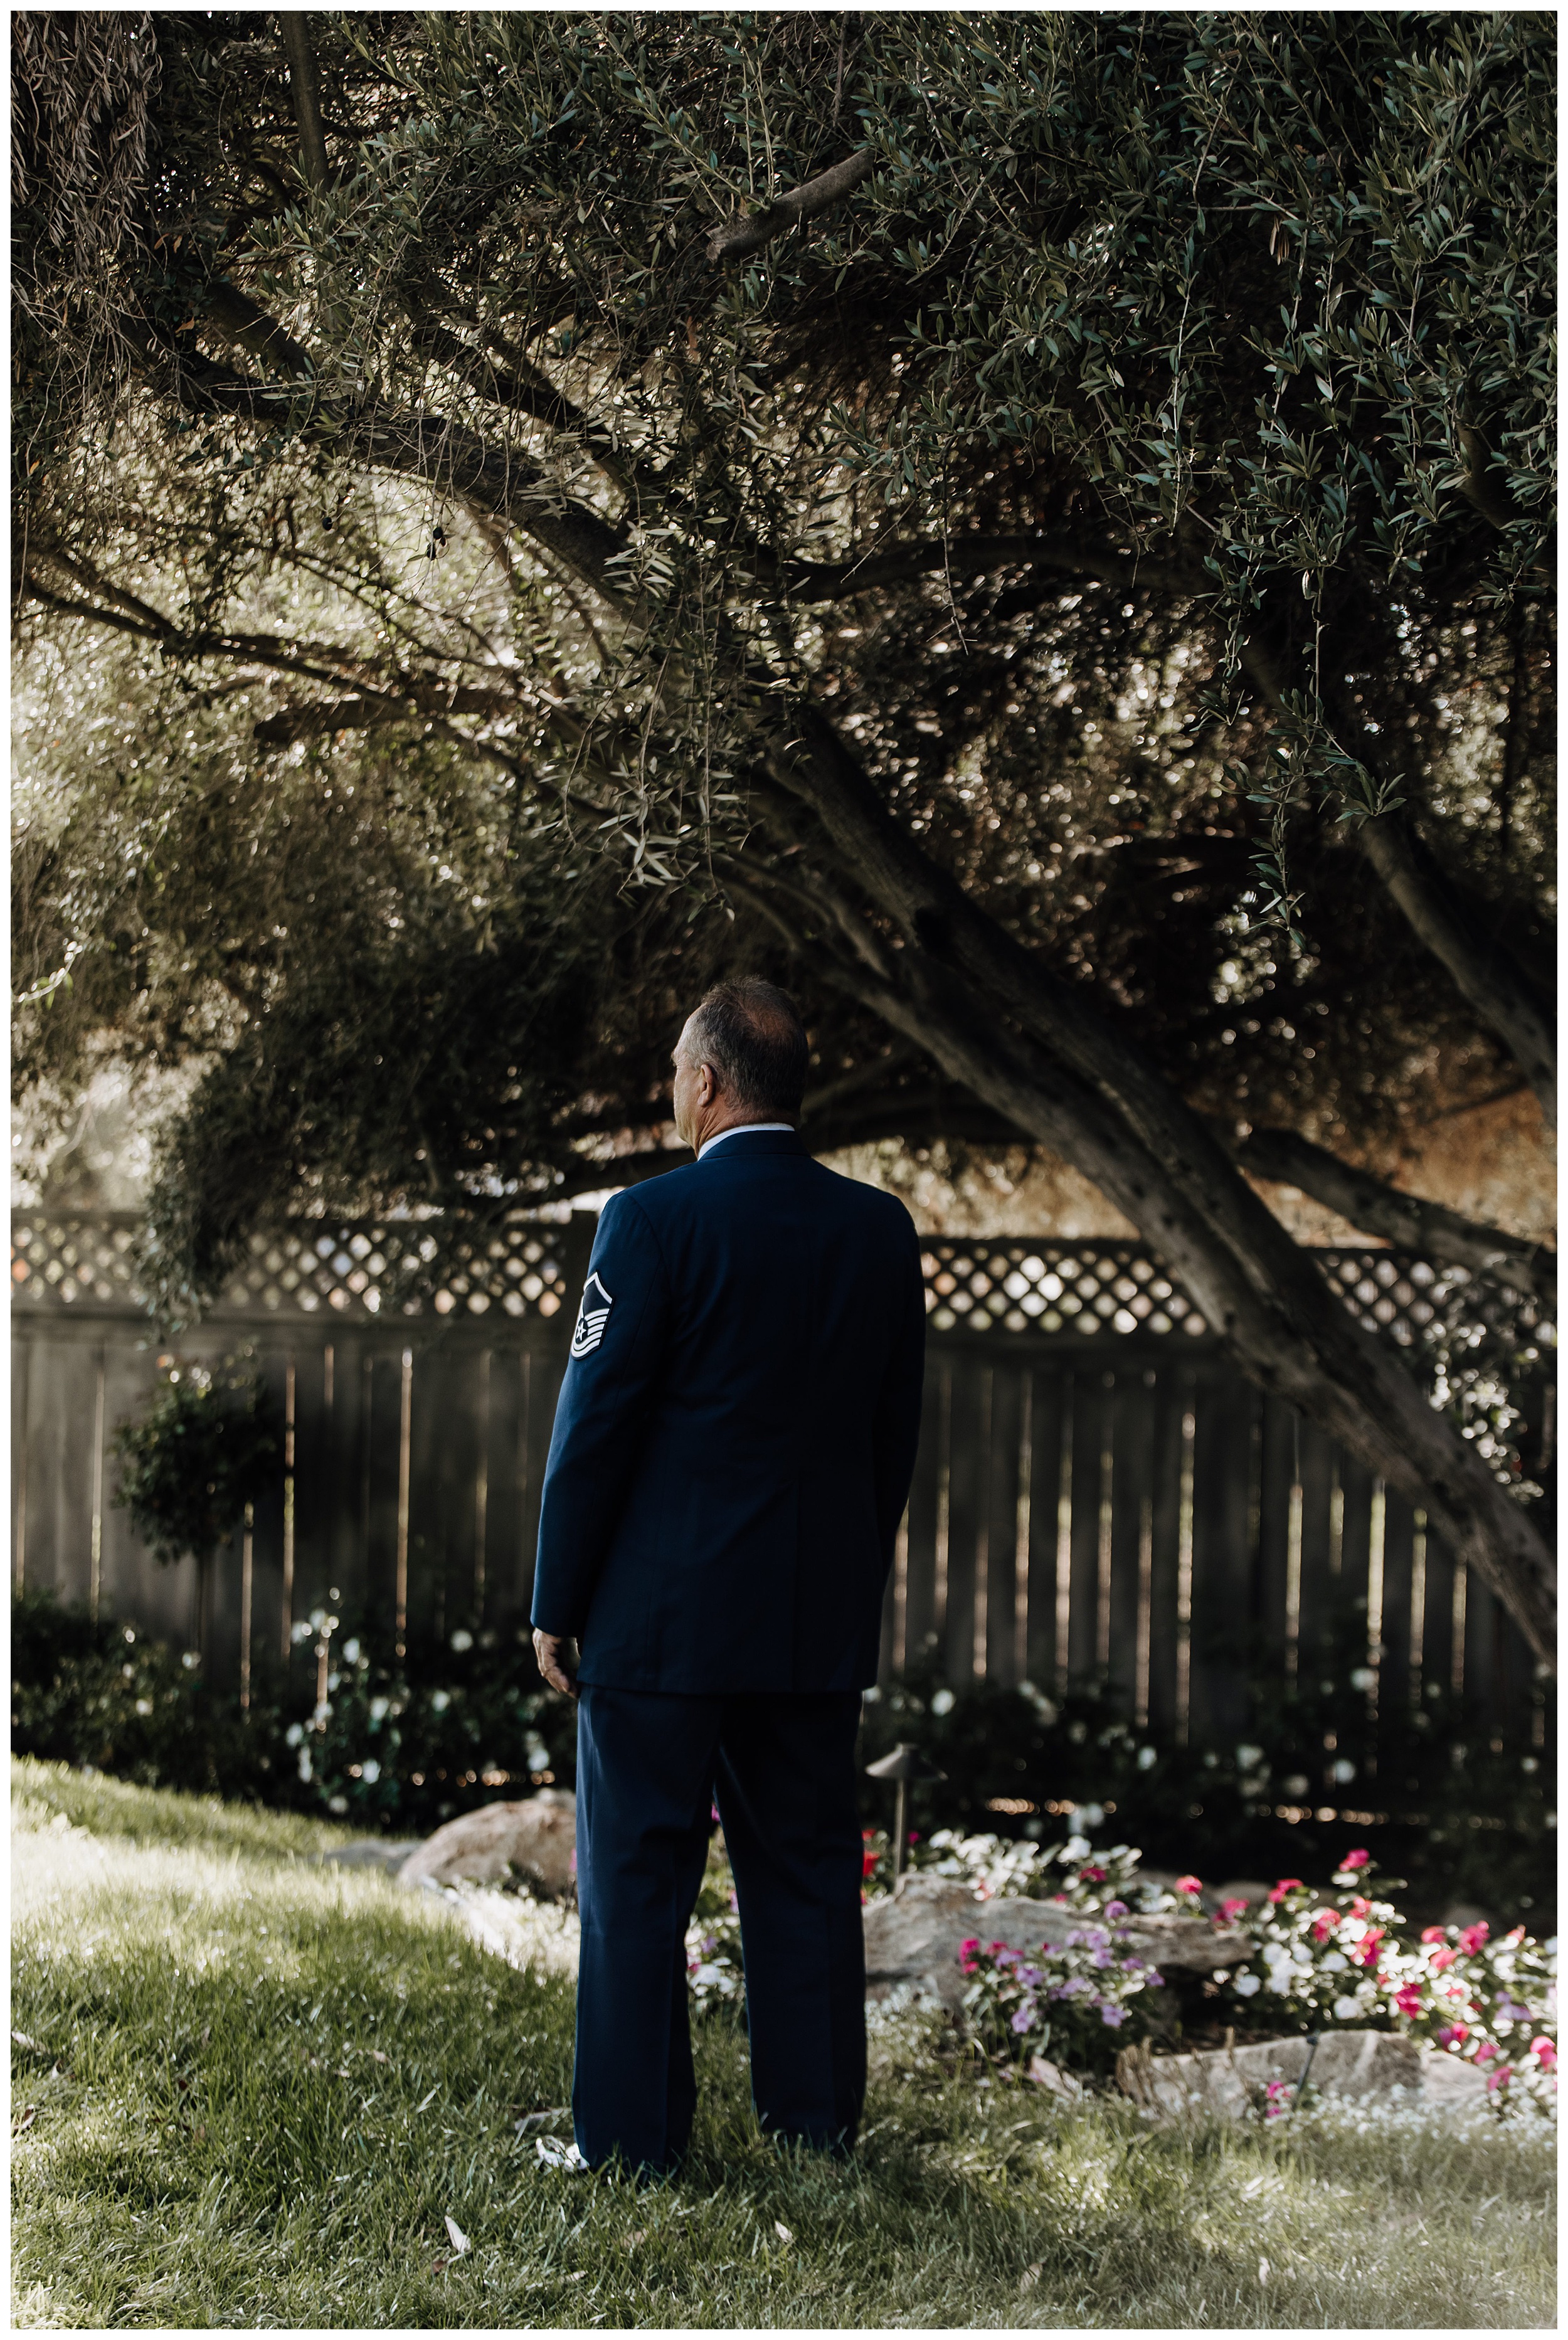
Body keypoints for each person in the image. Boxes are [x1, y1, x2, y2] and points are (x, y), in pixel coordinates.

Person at [531, 978, 926, 2175]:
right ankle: (814, 2130)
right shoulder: (879, 1230)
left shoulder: (648, 1222)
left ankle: (634, 2145)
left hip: (660, 1623)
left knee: (639, 1880)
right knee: (806, 1875)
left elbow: (594, 1423)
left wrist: (558, 1597)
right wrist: (847, 1576)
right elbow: (890, 1439)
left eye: (672, 1073)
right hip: (812, 1616)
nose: (670, 1091)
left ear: (707, 1083)